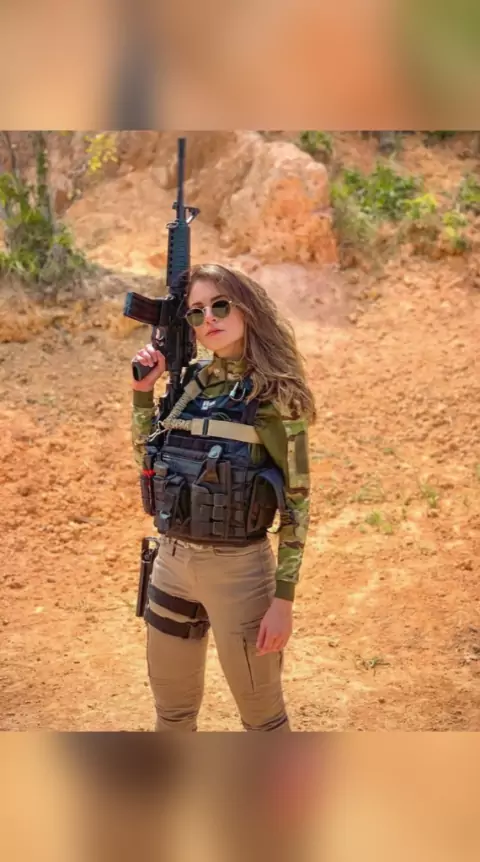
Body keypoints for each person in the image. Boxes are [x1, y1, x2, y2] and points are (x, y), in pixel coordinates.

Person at [130, 263, 316, 732]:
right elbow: (149, 463)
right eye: (196, 312)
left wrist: (284, 600)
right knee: (172, 715)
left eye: (219, 305)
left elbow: (297, 500)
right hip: (172, 566)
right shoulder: (187, 386)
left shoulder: (276, 395)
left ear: (246, 308)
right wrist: (142, 394)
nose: (208, 318)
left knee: (263, 721)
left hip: (239, 574)